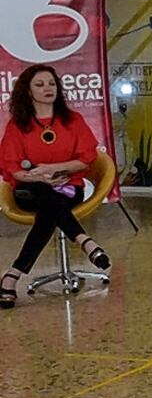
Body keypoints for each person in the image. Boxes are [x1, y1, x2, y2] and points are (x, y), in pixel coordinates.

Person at [1, 65, 109, 309]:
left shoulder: (73, 120)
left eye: (51, 83)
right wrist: (40, 178)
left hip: (68, 187)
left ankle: (12, 275)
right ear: (27, 91)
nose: (47, 88)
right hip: (29, 190)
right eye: (39, 85)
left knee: (49, 210)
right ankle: (85, 240)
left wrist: (52, 169)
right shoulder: (17, 125)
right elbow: (12, 169)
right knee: (44, 193)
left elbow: (86, 159)